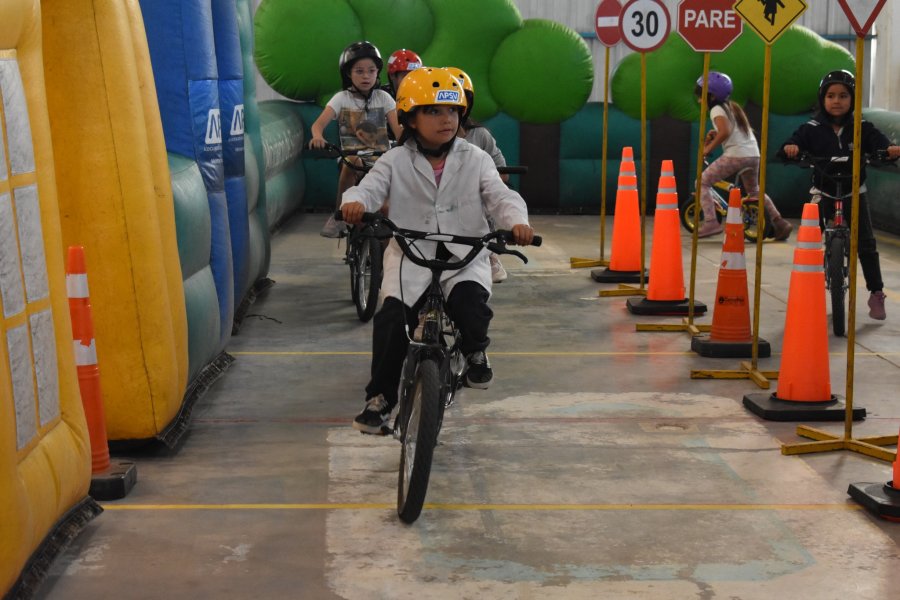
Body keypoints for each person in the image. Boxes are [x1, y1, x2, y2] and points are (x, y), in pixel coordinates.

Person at [340, 67, 534, 434]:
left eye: (452, 111)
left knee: (470, 304)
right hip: (410, 253)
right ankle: (380, 399)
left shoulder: (475, 158)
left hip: (464, 254)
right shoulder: (395, 160)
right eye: (433, 111)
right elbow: (369, 189)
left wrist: (516, 223)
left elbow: (501, 196)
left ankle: (475, 350)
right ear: (410, 119)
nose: (446, 119)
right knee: (391, 321)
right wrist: (354, 203)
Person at [779, 69, 900, 320]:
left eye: (843, 96)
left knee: (866, 243)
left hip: (854, 192)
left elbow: (880, 142)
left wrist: (889, 149)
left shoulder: (862, 128)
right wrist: (791, 148)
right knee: (809, 243)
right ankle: (805, 290)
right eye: (831, 96)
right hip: (821, 192)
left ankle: (876, 292)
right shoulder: (811, 128)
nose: (837, 101)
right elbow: (793, 142)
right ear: (822, 99)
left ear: (852, 99)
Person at [309, 41, 402, 238]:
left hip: (381, 159)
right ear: (348, 74)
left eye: (371, 71)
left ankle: (386, 253)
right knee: (353, 160)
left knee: (387, 210)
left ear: (377, 73)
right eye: (359, 71)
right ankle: (339, 215)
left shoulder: (384, 98)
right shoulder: (341, 98)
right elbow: (317, 125)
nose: (366, 76)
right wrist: (317, 137)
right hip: (351, 158)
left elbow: (398, 131)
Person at [695, 71, 793, 241]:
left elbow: (725, 132)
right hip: (753, 155)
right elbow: (730, 131)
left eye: (701, 96)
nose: (699, 100)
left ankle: (711, 222)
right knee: (754, 191)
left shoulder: (716, 109)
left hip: (736, 156)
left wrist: (708, 148)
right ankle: (779, 222)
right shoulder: (731, 107)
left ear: (711, 96)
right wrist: (715, 133)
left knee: (702, 182)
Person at [445, 66, 511, 283]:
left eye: (455, 106)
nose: (448, 114)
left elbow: (503, 175)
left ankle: (488, 252)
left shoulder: (480, 136)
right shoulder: (424, 141)